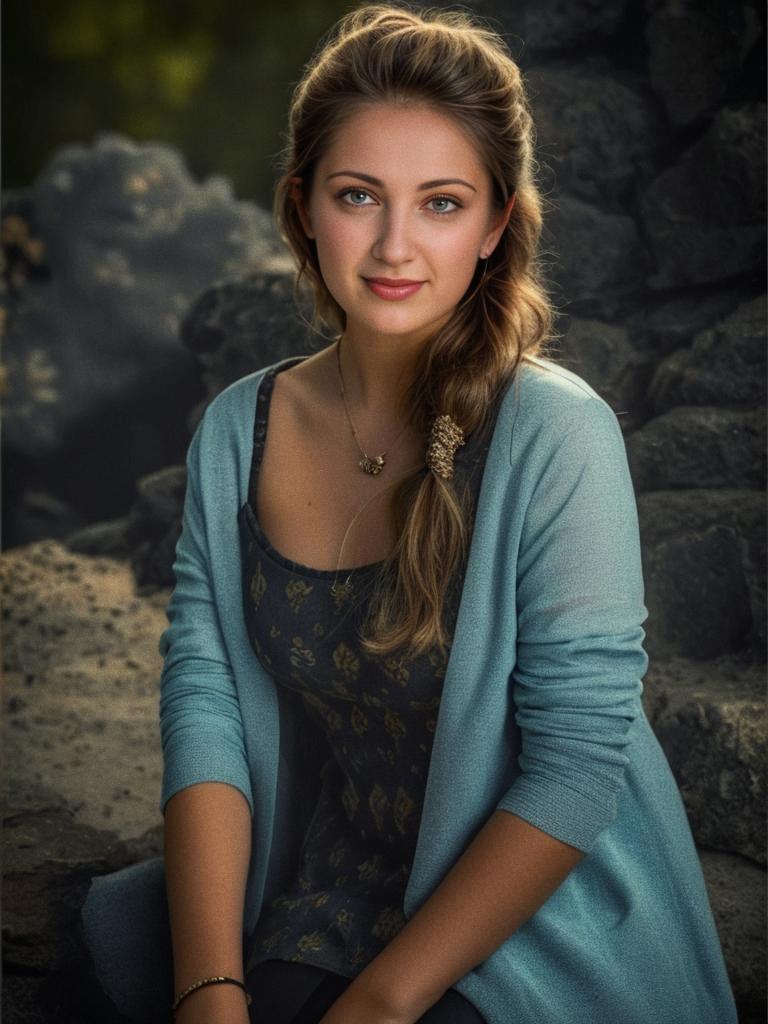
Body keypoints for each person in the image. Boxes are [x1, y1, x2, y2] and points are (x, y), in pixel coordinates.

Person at [80, 4, 739, 1023]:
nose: (394, 245)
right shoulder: (234, 431)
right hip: (341, 876)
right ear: (302, 206)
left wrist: (380, 1006)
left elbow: (572, 772)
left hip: (538, 910)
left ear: (495, 225)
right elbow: (206, 704)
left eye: (440, 202)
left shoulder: (559, 435)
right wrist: (207, 989)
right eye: (359, 196)